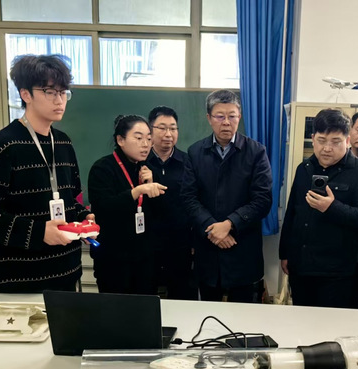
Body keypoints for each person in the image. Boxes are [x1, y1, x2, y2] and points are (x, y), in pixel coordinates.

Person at [0, 54, 93, 293]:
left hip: (66, 273)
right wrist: (39, 232)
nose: (59, 100)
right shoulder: (4, 145)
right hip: (20, 280)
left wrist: (83, 219)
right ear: (26, 94)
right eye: (49, 91)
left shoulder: (63, 143)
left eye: (63, 92)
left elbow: (70, 200)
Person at [279, 108, 358, 308]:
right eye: (322, 140)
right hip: (301, 266)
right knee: (300, 319)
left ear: (347, 141)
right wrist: (285, 253)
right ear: (313, 139)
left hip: (336, 271)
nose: (327, 148)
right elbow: (292, 213)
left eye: (335, 142)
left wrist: (332, 207)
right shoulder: (304, 168)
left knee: (332, 323)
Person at [181, 89, 272, 303]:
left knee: (244, 314)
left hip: (242, 247)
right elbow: (188, 198)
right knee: (209, 313)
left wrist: (230, 224)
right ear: (209, 118)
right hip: (208, 247)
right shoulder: (195, 152)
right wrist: (213, 229)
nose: (226, 122)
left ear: (239, 117)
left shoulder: (256, 152)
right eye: (220, 116)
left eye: (232, 116)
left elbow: (263, 199)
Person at [88, 115, 167, 294]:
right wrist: (137, 191)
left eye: (149, 138)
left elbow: (161, 213)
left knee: (145, 307)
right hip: (113, 260)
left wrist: (152, 183)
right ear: (120, 140)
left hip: (145, 260)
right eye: (138, 138)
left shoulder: (147, 169)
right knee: (115, 309)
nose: (145, 144)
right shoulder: (103, 168)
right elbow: (104, 209)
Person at [145, 106, 197, 300]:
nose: (168, 134)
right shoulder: (140, 161)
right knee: (147, 296)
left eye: (173, 128)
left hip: (180, 243)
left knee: (181, 296)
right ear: (150, 130)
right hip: (147, 243)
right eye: (162, 128)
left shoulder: (189, 162)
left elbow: (196, 201)